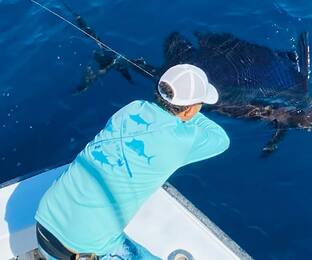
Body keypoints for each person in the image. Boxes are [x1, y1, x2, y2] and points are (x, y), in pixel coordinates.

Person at [35, 64, 230, 259]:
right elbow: (221, 139)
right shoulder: (183, 140)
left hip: (44, 221)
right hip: (80, 250)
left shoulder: (132, 109)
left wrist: (184, 105)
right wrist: (193, 112)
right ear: (189, 111)